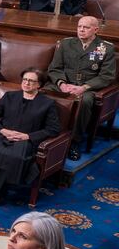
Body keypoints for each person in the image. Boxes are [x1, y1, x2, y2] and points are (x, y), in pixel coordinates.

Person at [0, 69, 61, 207]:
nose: (27, 83)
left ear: (39, 85)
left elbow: (53, 129)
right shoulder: (10, 96)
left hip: (25, 140)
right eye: (25, 79)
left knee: (14, 157)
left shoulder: (47, 103)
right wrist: (2, 130)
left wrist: (27, 136)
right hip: (3, 134)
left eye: (31, 81)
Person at [45, 15, 116, 160]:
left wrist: (84, 87)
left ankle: (74, 141)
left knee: (85, 102)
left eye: (86, 27)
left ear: (95, 30)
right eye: (79, 27)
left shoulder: (105, 48)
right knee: (44, 94)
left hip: (87, 89)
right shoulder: (66, 44)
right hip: (64, 85)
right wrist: (62, 84)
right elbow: (54, 69)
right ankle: (44, 133)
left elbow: (106, 76)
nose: (81, 30)